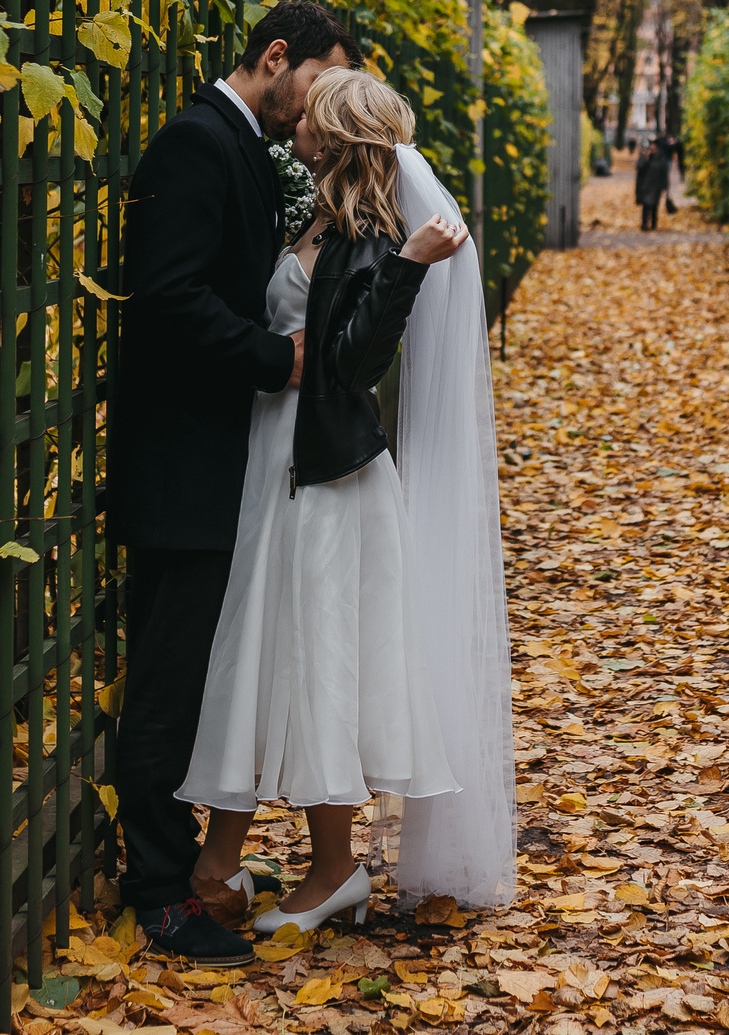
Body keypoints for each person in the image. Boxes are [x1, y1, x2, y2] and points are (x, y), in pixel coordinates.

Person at [178, 68, 518, 934]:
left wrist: (407, 265)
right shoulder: (321, 217)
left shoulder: (374, 235)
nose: (295, 116)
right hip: (279, 461)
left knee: (312, 656)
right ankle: (234, 860)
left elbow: (356, 362)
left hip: (327, 479)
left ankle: (331, 868)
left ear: (332, 132)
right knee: (268, 650)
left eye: (312, 113)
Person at [108, 0, 354, 965]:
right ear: (276, 56)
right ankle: (161, 896)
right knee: (169, 687)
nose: (319, 103)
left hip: (226, 466)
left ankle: (188, 871)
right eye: (317, 79)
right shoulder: (193, 143)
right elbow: (166, 298)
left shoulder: (248, 147)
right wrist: (273, 358)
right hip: (181, 467)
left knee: (198, 679)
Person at [635, 134, 672, 232]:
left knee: (654, 205)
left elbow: (664, 173)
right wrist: (646, 158)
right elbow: (639, 168)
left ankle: (653, 224)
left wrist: (665, 187)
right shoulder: (645, 157)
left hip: (656, 185)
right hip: (645, 185)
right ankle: (644, 223)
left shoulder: (661, 158)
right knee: (646, 205)